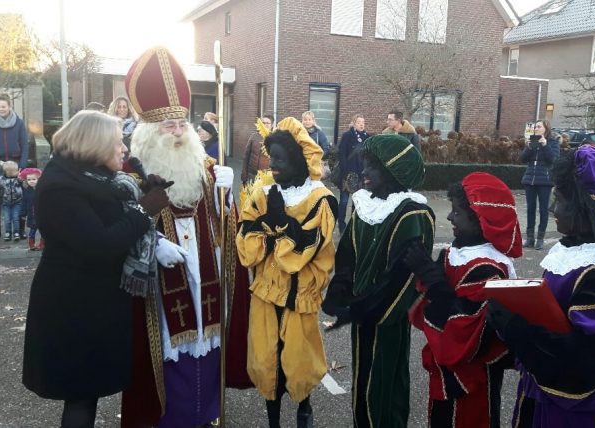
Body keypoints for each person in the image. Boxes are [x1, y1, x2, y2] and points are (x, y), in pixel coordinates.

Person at [120, 46, 252, 428]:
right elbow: (120, 227)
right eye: (168, 125)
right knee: (166, 351)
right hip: (160, 286)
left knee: (207, 341)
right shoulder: (130, 175)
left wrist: (226, 198)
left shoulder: (208, 167)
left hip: (203, 279)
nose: (178, 132)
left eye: (181, 123)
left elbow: (228, 230)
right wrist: (153, 245)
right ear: (148, 130)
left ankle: (205, 414)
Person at [22, 110, 172, 428]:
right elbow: (100, 242)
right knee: (80, 394)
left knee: (88, 392)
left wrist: (144, 191)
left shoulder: (91, 176)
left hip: (93, 301)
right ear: (95, 144)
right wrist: (145, 210)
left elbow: (110, 211)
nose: (124, 150)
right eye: (118, 142)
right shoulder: (60, 186)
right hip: (72, 306)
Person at [487, 146, 595, 427]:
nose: (553, 208)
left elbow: (585, 370)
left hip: (572, 416)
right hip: (543, 401)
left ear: (591, 211)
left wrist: (515, 328)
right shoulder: (572, 259)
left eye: (561, 199)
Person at [322, 134, 435, 428]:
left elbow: (400, 281)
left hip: (386, 319)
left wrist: (358, 310)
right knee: (363, 387)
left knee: (384, 389)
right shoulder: (366, 206)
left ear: (394, 171)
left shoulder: (414, 214)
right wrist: (339, 292)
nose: (364, 172)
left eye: (373, 166)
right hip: (363, 313)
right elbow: (347, 254)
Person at [236, 117, 337, 428]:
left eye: (280, 158)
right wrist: (276, 228)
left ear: (299, 160)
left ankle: (304, 408)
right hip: (265, 295)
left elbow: (300, 253)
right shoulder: (263, 192)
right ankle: (273, 419)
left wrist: (276, 222)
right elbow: (246, 247)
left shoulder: (321, 200)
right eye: (271, 158)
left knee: (298, 360)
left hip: (298, 297)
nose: (273, 165)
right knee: (267, 359)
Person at [404, 172, 522, 428]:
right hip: (447, 369)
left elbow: (465, 332)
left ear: (481, 220)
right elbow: (428, 307)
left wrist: (433, 279)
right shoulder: (456, 252)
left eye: (457, 212)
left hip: (472, 378)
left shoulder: (489, 269)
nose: (449, 217)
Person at [0, 93, 29, 241]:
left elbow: (24, 145)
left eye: (3, 106)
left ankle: (20, 230)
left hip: (15, 164)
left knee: (19, 197)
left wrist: (22, 165)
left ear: (9, 107)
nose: (0, 109)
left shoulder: (19, 123)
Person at [520, 119, 559, 250]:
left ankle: (540, 238)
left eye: (539, 126)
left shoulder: (553, 142)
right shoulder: (532, 141)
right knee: (530, 209)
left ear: (546, 129)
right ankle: (530, 238)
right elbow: (523, 159)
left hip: (545, 181)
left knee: (543, 210)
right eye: (535, 126)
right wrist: (528, 147)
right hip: (530, 179)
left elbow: (553, 159)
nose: (536, 128)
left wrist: (545, 145)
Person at [335, 114, 368, 232]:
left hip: (360, 175)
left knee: (357, 202)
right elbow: (341, 153)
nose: (361, 124)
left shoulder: (367, 137)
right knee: (344, 201)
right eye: (359, 122)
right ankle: (342, 225)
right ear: (354, 123)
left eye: (363, 122)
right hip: (347, 174)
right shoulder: (347, 136)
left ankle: (353, 226)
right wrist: (345, 170)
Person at [0, 161, 24, 242]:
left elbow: (24, 185)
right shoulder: (1, 179)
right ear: (8, 172)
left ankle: (16, 232)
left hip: (17, 202)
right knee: (7, 219)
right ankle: (8, 232)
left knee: (15, 218)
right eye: (15, 171)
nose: (17, 172)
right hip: (6, 203)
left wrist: (21, 179)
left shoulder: (18, 179)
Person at [241, 114, 273, 185]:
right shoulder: (254, 136)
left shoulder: (275, 138)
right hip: (252, 174)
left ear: (272, 125)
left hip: (266, 176)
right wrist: (244, 174)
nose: (265, 125)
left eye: (267, 123)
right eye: (263, 123)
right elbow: (246, 156)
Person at [19, 167, 43, 250]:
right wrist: (23, 214)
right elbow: (24, 203)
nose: (31, 181)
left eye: (34, 179)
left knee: (43, 230)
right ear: (26, 181)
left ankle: (42, 244)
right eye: (29, 180)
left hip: (41, 214)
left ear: (38, 179)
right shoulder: (26, 191)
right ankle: (31, 244)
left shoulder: (41, 190)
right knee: (32, 230)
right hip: (31, 215)